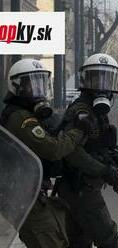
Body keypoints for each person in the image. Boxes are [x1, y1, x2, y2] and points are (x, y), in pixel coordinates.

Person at [0, 59, 89, 248]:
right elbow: (53, 150)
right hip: (24, 196)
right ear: (17, 87)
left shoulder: (27, 115)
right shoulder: (21, 118)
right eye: (31, 84)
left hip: (30, 193)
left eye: (41, 83)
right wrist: (77, 131)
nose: (38, 89)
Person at [58, 53, 118, 248]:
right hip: (80, 186)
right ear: (85, 80)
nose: (103, 85)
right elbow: (72, 152)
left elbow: (96, 146)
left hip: (81, 186)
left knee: (79, 242)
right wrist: (103, 170)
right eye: (97, 78)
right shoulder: (82, 111)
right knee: (108, 239)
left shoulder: (95, 111)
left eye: (108, 78)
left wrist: (114, 162)